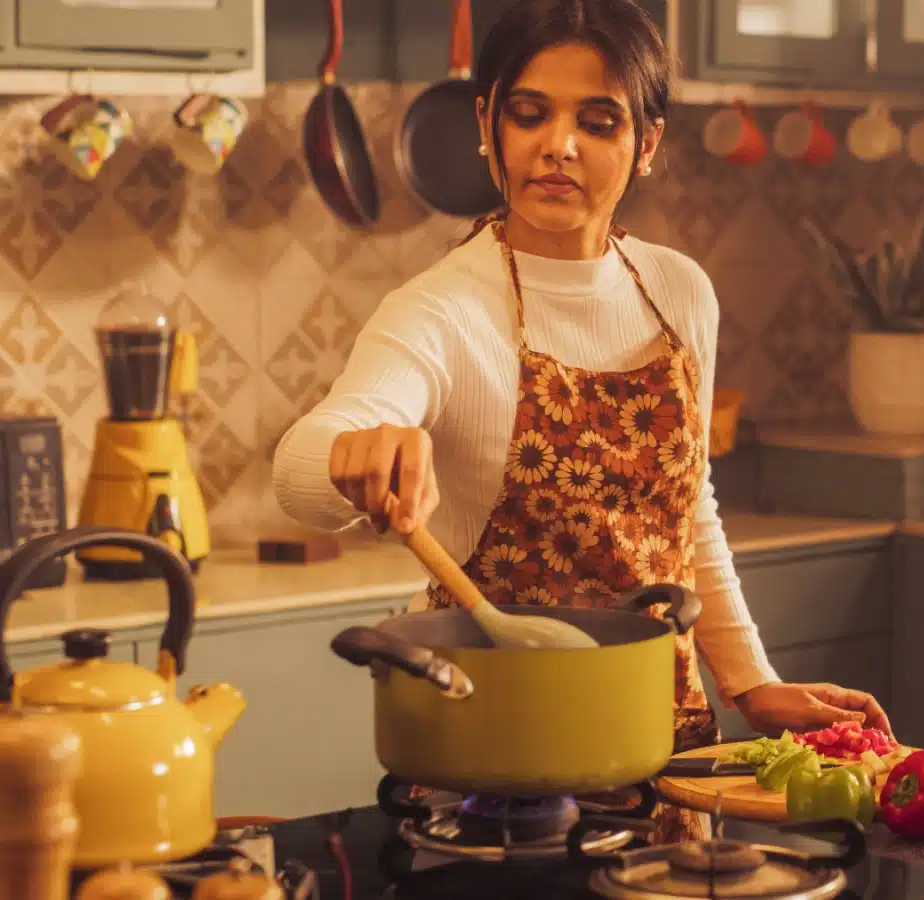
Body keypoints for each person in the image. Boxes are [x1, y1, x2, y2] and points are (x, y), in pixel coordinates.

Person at [270, 0, 891, 840]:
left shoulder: (679, 291)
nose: (558, 145)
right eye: (530, 114)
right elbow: (303, 466)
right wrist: (354, 451)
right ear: (488, 123)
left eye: (598, 121)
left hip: (668, 758)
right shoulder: (441, 311)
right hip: (498, 760)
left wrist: (750, 683)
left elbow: (686, 514)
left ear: (648, 143)